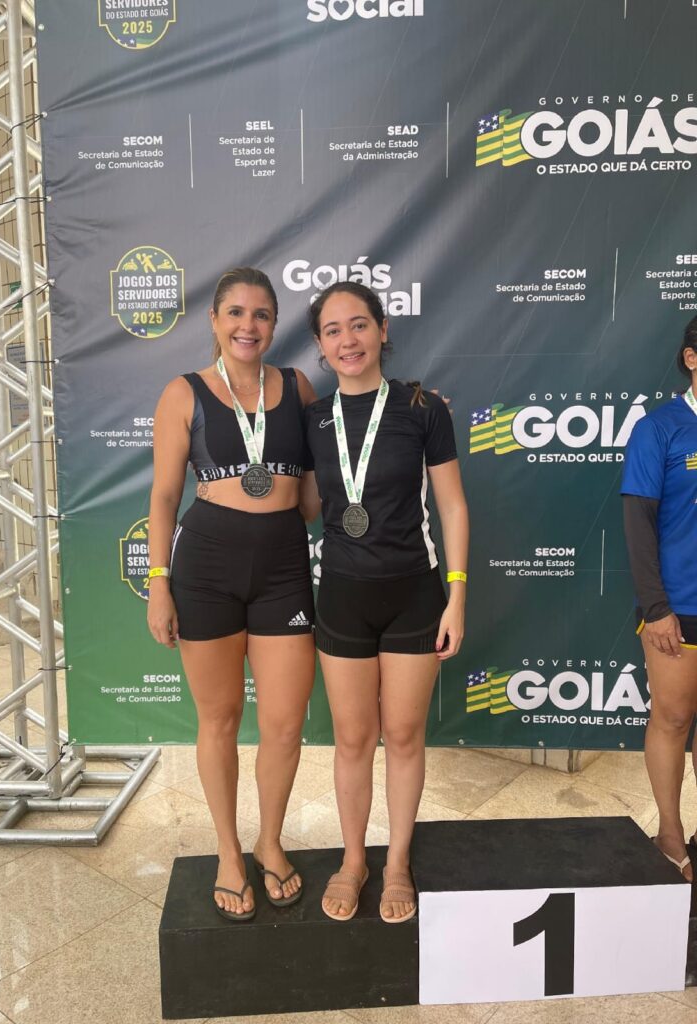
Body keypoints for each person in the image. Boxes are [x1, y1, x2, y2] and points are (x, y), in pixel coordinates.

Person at [147, 267, 319, 919]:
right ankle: (227, 850)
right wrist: (158, 584)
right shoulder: (183, 392)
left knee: (283, 724)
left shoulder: (298, 387)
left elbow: (313, 496)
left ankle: (270, 842)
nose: (249, 325)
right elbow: (165, 496)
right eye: (237, 313)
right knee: (218, 720)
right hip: (207, 568)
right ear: (215, 321)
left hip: (283, 568)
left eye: (262, 314)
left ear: (274, 324)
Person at [304, 281, 469, 923]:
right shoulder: (312, 420)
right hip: (342, 595)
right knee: (352, 738)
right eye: (333, 330)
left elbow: (451, 505)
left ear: (382, 330)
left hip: (414, 595)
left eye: (359, 325)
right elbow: (304, 502)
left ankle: (396, 861)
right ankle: (353, 860)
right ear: (320, 345)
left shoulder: (423, 408)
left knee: (402, 735)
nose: (348, 340)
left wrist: (457, 595)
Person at [621, 315, 697, 881]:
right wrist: (657, 608)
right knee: (672, 718)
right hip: (679, 606)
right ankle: (670, 836)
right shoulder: (659, 428)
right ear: (691, 359)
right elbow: (638, 524)